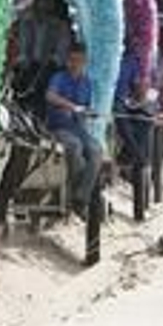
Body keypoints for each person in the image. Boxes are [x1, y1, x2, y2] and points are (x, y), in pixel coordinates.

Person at [46, 42, 102, 215]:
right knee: (74, 146)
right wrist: (70, 106)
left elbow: (87, 108)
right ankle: (77, 196)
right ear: (67, 60)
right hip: (58, 127)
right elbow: (50, 95)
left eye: (78, 60)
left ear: (84, 62)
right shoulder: (59, 77)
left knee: (96, 150)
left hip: (79, 128)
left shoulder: (87, 83)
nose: (74, 63)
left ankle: (80, 197)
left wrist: (90, 113)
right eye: (71, 60)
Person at [113, 48, 152, 169]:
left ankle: (128, 153)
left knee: (146, 117)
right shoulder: (107, 56)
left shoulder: (131, 61)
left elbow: (135, 85)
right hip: (112, 100)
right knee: (120, 114)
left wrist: (141, 93)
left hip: (126, 100)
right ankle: (137, 155)